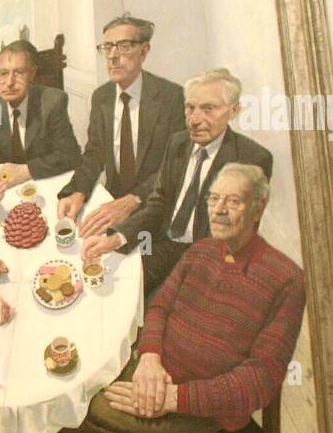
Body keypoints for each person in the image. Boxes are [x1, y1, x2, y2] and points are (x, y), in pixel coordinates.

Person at [0, 164, 304, 433]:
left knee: (83, 405)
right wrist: (151, 359)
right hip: (153, 374)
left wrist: (175, 398)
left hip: (207, 405)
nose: (219, 210)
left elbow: (260, 381)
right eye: (214, 199)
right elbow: (159, 308)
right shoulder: (201, 250)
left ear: (258, 207)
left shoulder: (286, 279)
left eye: (233, 201)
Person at [81, 67, 273, 296]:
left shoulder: (252, 159)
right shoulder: (178, 143)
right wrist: (116, 238)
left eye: (208, 109)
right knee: (109, 287)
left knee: (156, 313)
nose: (194, 120)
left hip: (207, 259)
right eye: (190, 108)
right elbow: (158, 203)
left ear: (234, 111)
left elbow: (236, 234)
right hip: (162, 244)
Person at [56, 14, 184, 238]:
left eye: (123, 46)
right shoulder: (101, 97)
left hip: (156, 208)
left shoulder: (172, 97)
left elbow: (176, 165)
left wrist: (134, 199)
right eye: (107, 47)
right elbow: (94, 152)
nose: (113, 56)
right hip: (111, 204)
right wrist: (78, 191)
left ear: (144, 51)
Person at [0, 39, 81, 202]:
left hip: (45, 187)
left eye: (19, 72)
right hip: (4, 195)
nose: (9, 83)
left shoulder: (52, 101)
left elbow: (70, 155)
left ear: (32, 73)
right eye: (3, 73)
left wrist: (27, 170)